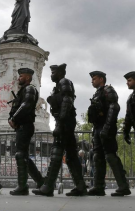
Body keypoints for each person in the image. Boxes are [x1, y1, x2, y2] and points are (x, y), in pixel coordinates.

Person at [33, 64, 87, 197]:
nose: (51, 74)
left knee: (57, 153)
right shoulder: (57, 86)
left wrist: (60, 124)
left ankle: (48, 186)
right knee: (71, 156)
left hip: (65, 122)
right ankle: (80, 186)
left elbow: (67, 101)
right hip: (64, 121)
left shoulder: (64, 82)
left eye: (54, 72)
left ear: (60, 73)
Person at [86, 71, 131, 197]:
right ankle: (98, 186)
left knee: (110, 156)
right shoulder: (97, 93)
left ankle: (123, 186)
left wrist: (107, 127)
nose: (92, 81)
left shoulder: (108, 90)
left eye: (94, 79)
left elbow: (114, 107)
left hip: (106, 127)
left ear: (101, 79)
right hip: (98, 127)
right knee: (97, 157)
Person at [8, 68, 44, 195]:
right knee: (23, 156)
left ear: (28, 78)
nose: (19, 78)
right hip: (21, 126)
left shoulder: (30, 89)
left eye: (21, 76)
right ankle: (40, 182)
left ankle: (22, 186)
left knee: (21, 155)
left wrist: (14, 118)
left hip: (25, 125)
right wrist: (11, 119)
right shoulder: (22, 91)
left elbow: (26, 105)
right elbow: (17, 107)